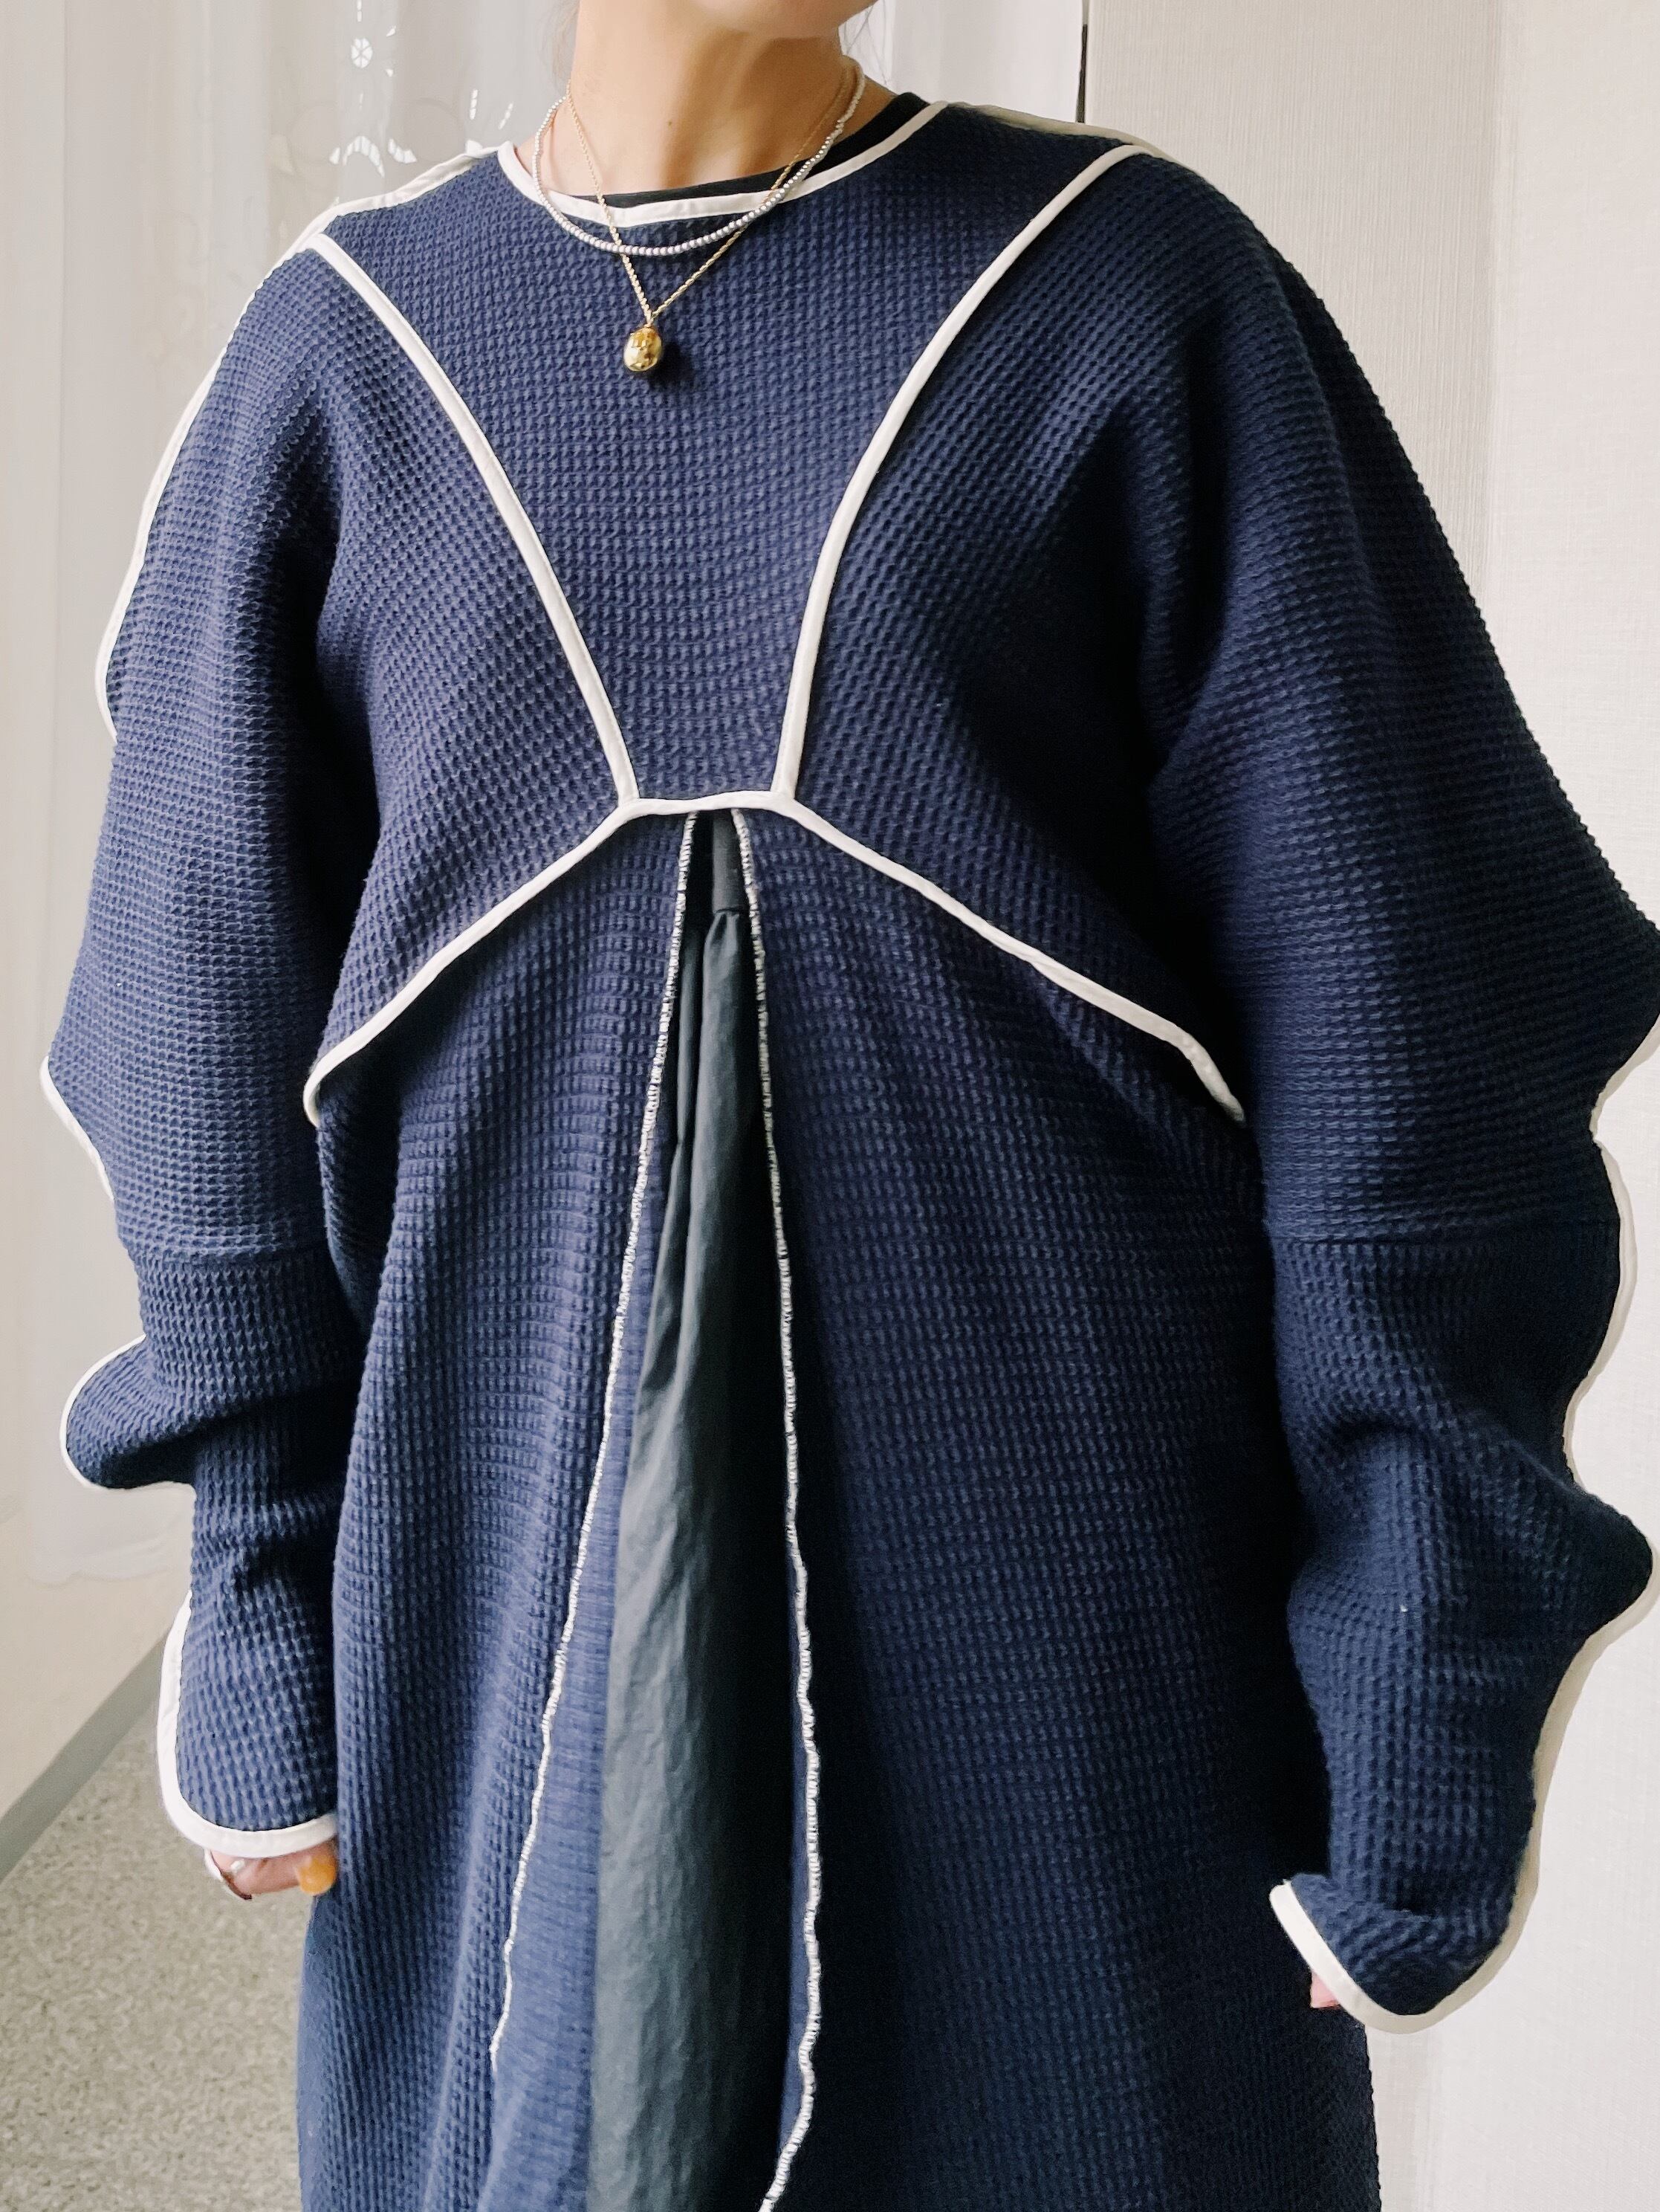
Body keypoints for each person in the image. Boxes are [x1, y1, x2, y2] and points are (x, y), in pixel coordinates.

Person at [45, 1, 1660, 2207]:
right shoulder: (341, 360)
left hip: (1077, 1648)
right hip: (509, 1609)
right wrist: (257, 1590)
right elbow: (198, 1031)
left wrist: (1423, 1668)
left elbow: (1409, 1048)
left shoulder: (1129, 292)